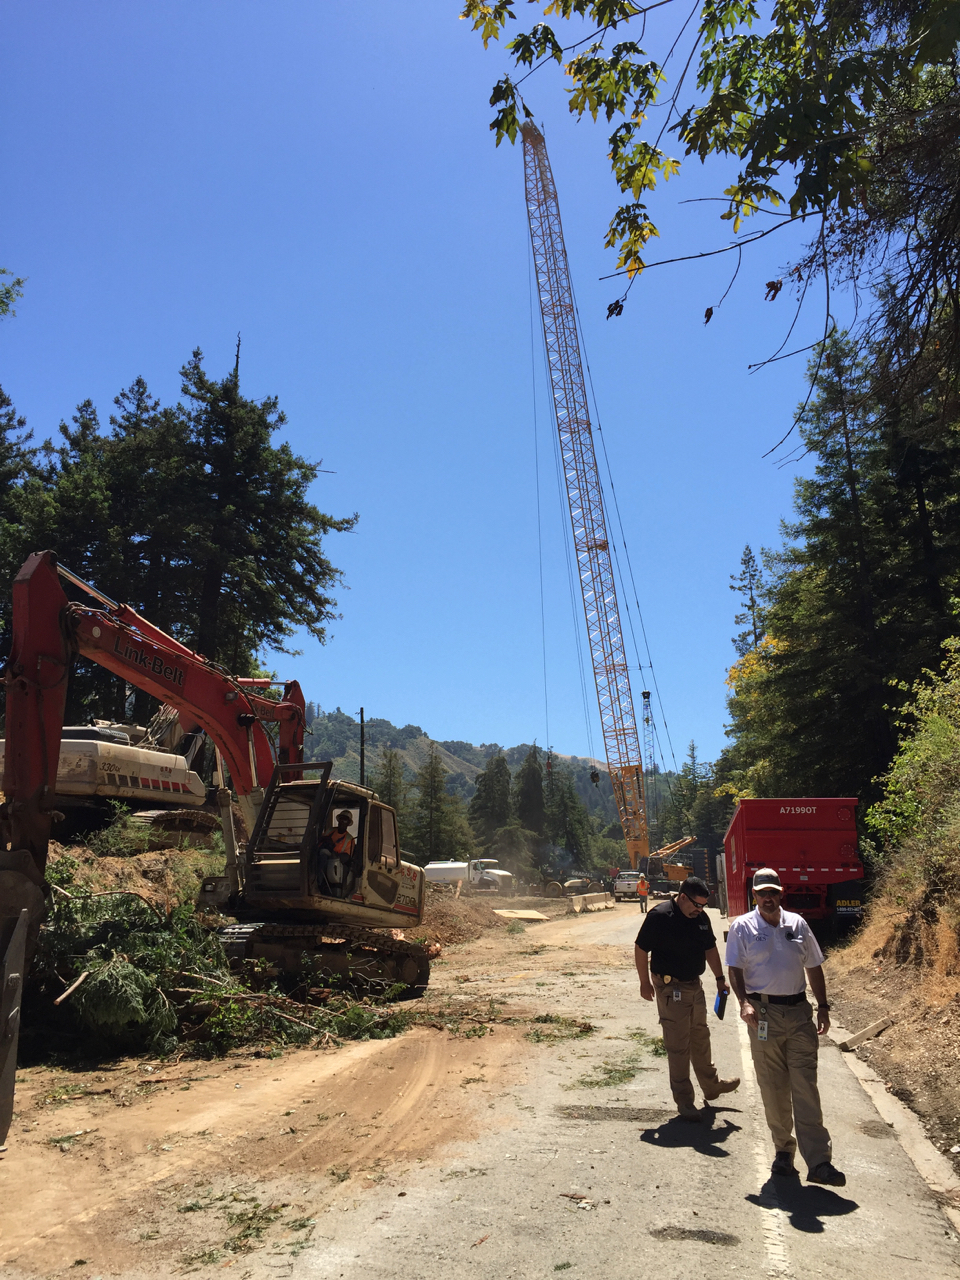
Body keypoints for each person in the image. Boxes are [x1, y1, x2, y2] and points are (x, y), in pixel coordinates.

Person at [725, 867, 845, 1187]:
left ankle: (819, 1161)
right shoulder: (742, 927)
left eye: (773, 892)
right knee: (773, 1087)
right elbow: (734, 968)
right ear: (754, 895)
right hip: (762, 1015)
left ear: (781, 894)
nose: (768, 898)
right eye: (762, 893)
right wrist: (744, 1002)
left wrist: (823, 1006)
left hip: (799, 1014)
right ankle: (783, 1151)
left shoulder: (798, 924)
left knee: (806, 1087)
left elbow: (814, 966)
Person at [635, 875, 740, 1118]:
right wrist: (644, 982)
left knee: (700, 1036)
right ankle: (684, 1101)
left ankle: (711, 1086)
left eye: (703, 905)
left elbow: (710, 948)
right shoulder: (660, 916)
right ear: (683, 897)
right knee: (678, 1045)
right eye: (696, 905)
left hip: (694, 985)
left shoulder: (701, 918)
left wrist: (719, 978)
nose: (699, 910)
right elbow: (641, 948)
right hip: (670, 988)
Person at [318, 809, 356, 894]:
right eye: (341, 819)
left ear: (348, 823)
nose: (342, 821)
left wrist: (333, 852)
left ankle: (319, 883)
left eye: (345, 820)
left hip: (335, 861)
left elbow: (346, 857)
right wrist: (326, 840)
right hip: (322, 852)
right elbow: (320, 840)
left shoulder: (349, 839)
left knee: (324, 858)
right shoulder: (330, 830)